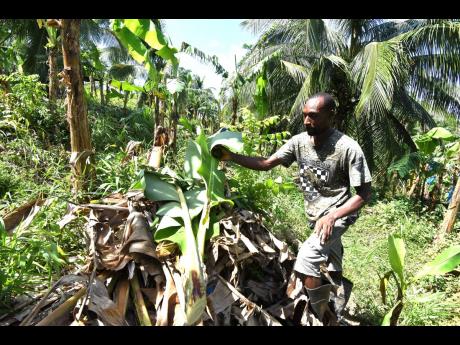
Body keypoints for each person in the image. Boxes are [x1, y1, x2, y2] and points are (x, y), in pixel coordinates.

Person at [212, 92, 372, 325]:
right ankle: (337, 298)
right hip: (315, 216)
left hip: (337, 214)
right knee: (332, 261)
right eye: (305, 116)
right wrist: (231, 156)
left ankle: (323, 317)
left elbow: (363, 194)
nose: (307, 121)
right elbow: (266, 164)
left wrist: (332, 216)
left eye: (314, 116)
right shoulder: (299, 142)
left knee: (307, 258)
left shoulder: (348, 148)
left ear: (331, 115)